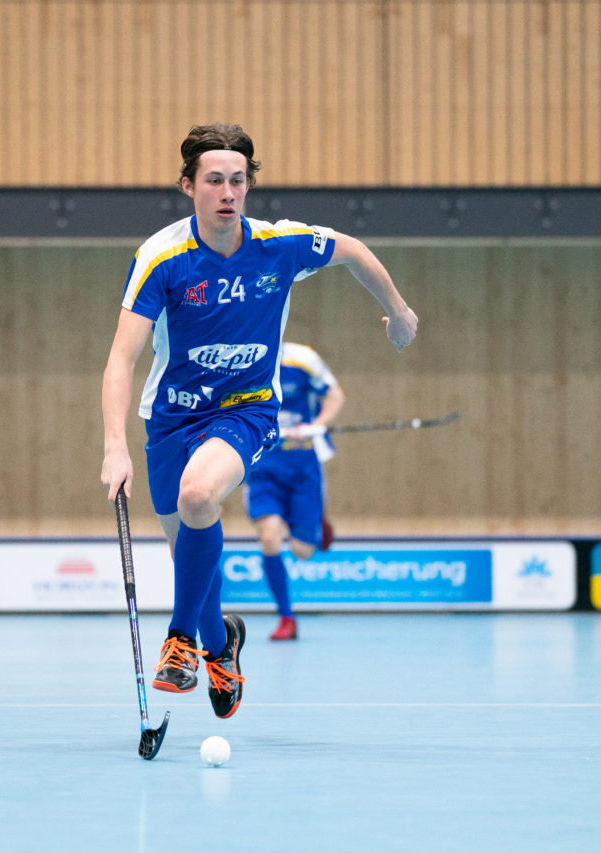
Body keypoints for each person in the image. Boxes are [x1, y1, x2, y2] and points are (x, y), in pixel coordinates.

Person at [100, 123, 417, 720]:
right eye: (214, 180)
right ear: (188, 186)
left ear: (249, 186)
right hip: (169, 421)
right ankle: (224, 644)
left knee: (199, 496)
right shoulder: (162, 257)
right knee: (190, 545)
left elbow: (352, 249)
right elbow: (122, 356)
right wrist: (115, 444)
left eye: (238, 181)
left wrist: (398, 313)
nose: (227, 191)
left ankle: (182, 641)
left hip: (246, 410)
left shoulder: (280, 244)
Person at [243, 341, 344, 641]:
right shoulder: (245, 357)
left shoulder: (304, 359)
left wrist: (316, 425)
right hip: (263, 467)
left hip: (302, 466)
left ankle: (315, 519)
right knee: (270, 538)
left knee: (302, 550)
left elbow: (336, 396)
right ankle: (287, 617)